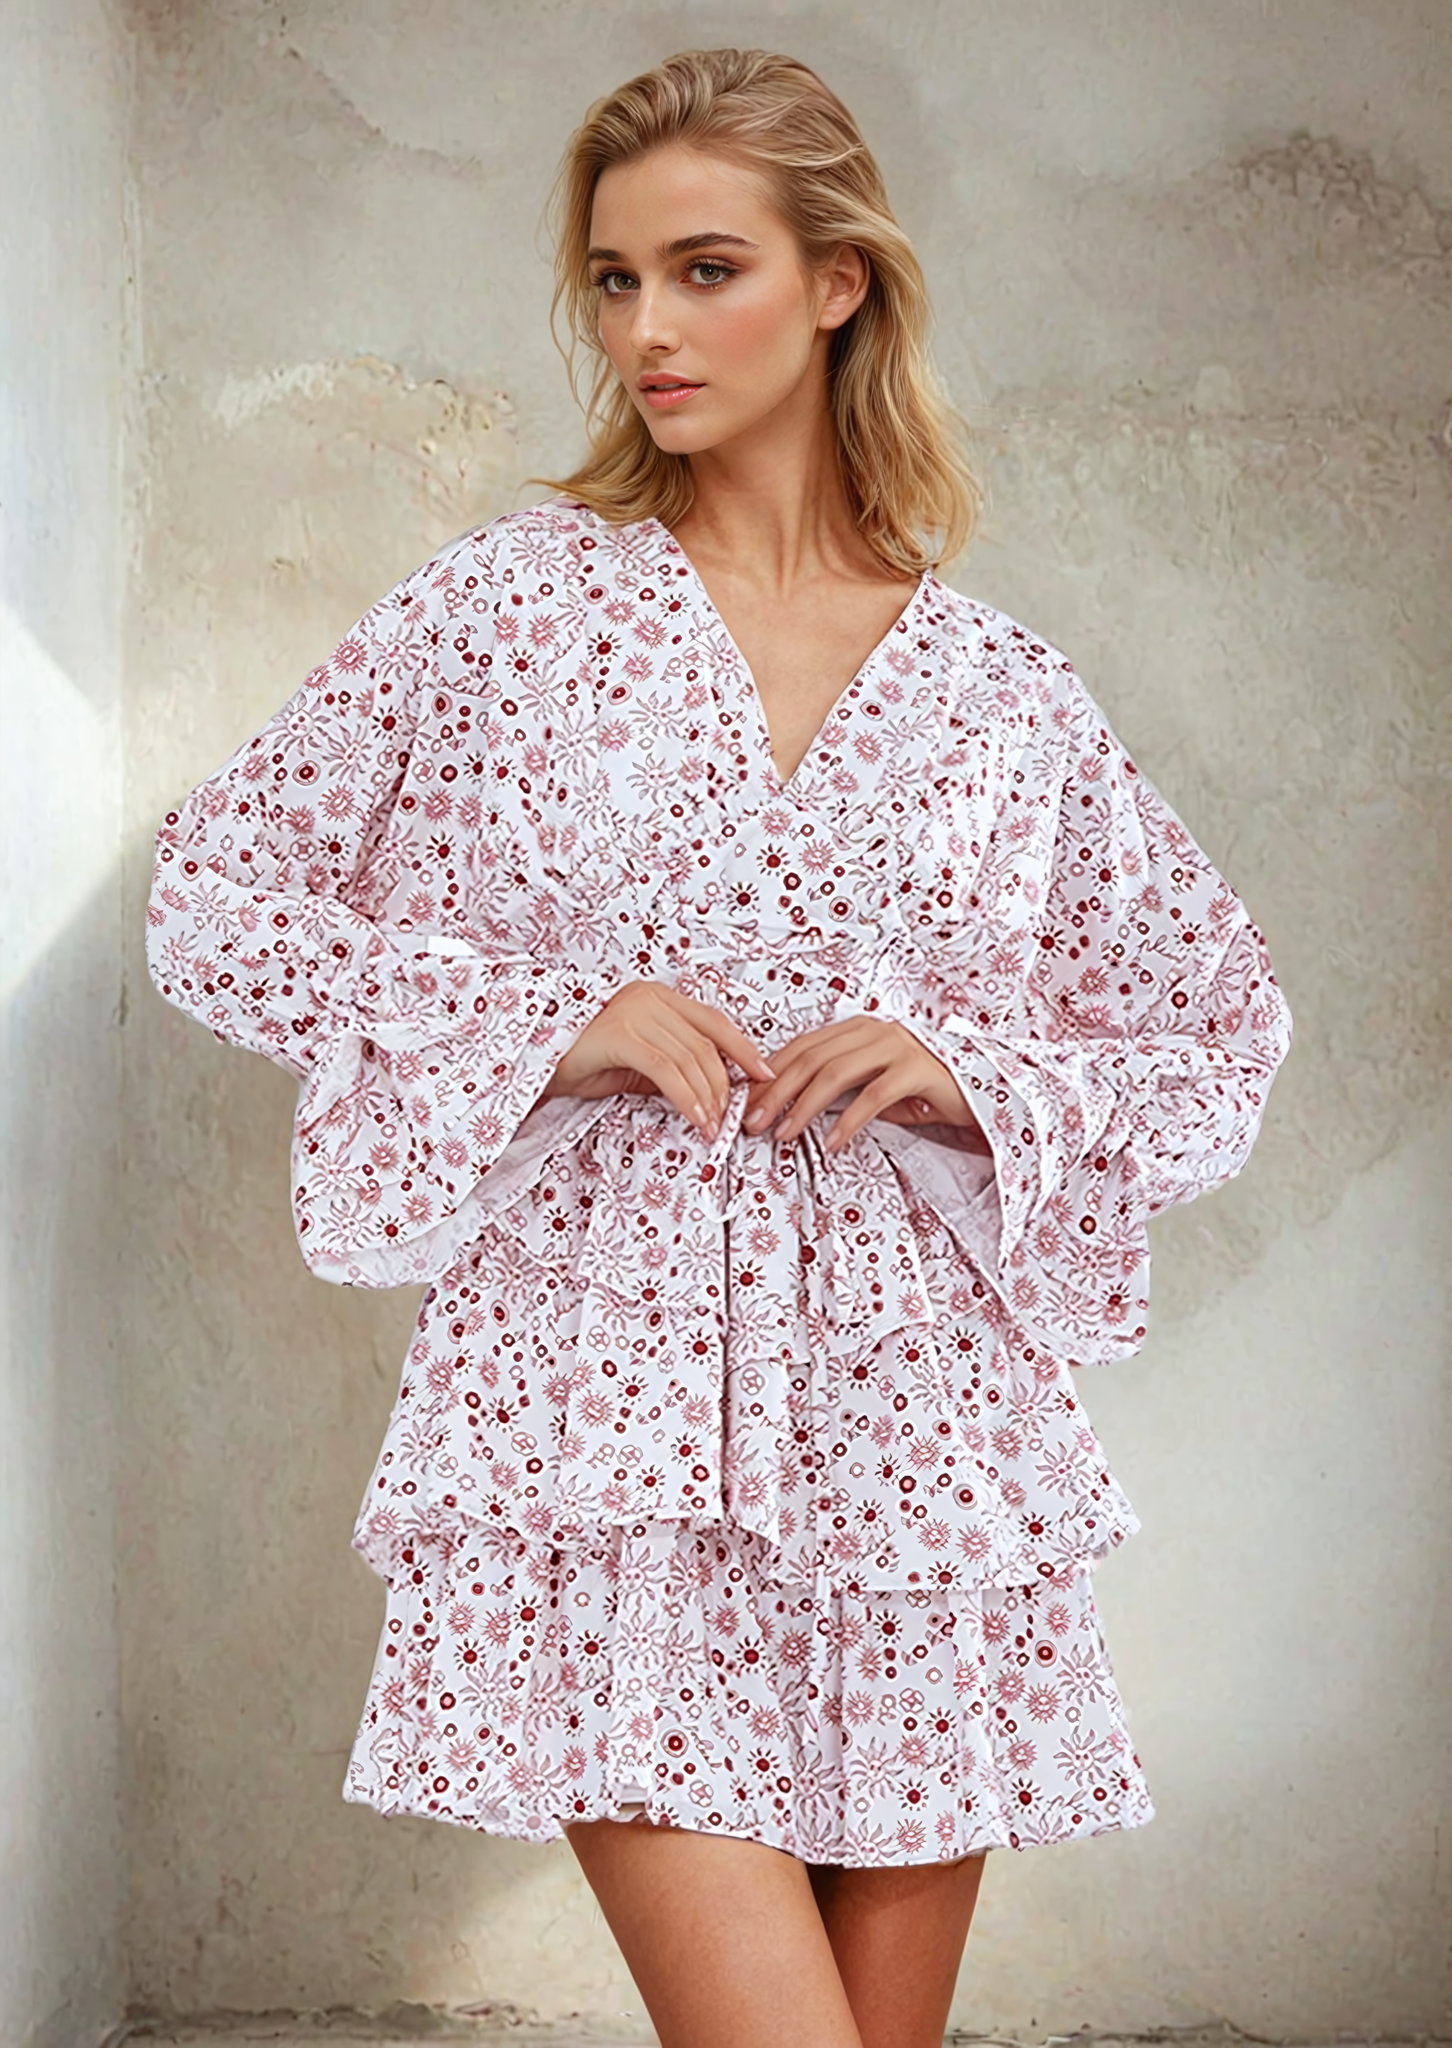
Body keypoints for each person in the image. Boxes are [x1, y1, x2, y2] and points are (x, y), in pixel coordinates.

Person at [144, 46, 1292, 2048]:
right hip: (600, 1410)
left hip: (922, 1441)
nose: (645, 332)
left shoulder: (1004, 696)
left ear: (838, 282)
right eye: (613, 280)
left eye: (702, 270)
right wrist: (545, 1021)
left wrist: (970, 1076)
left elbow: (1220, 1031)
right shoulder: (506, 614)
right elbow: (214, 901)